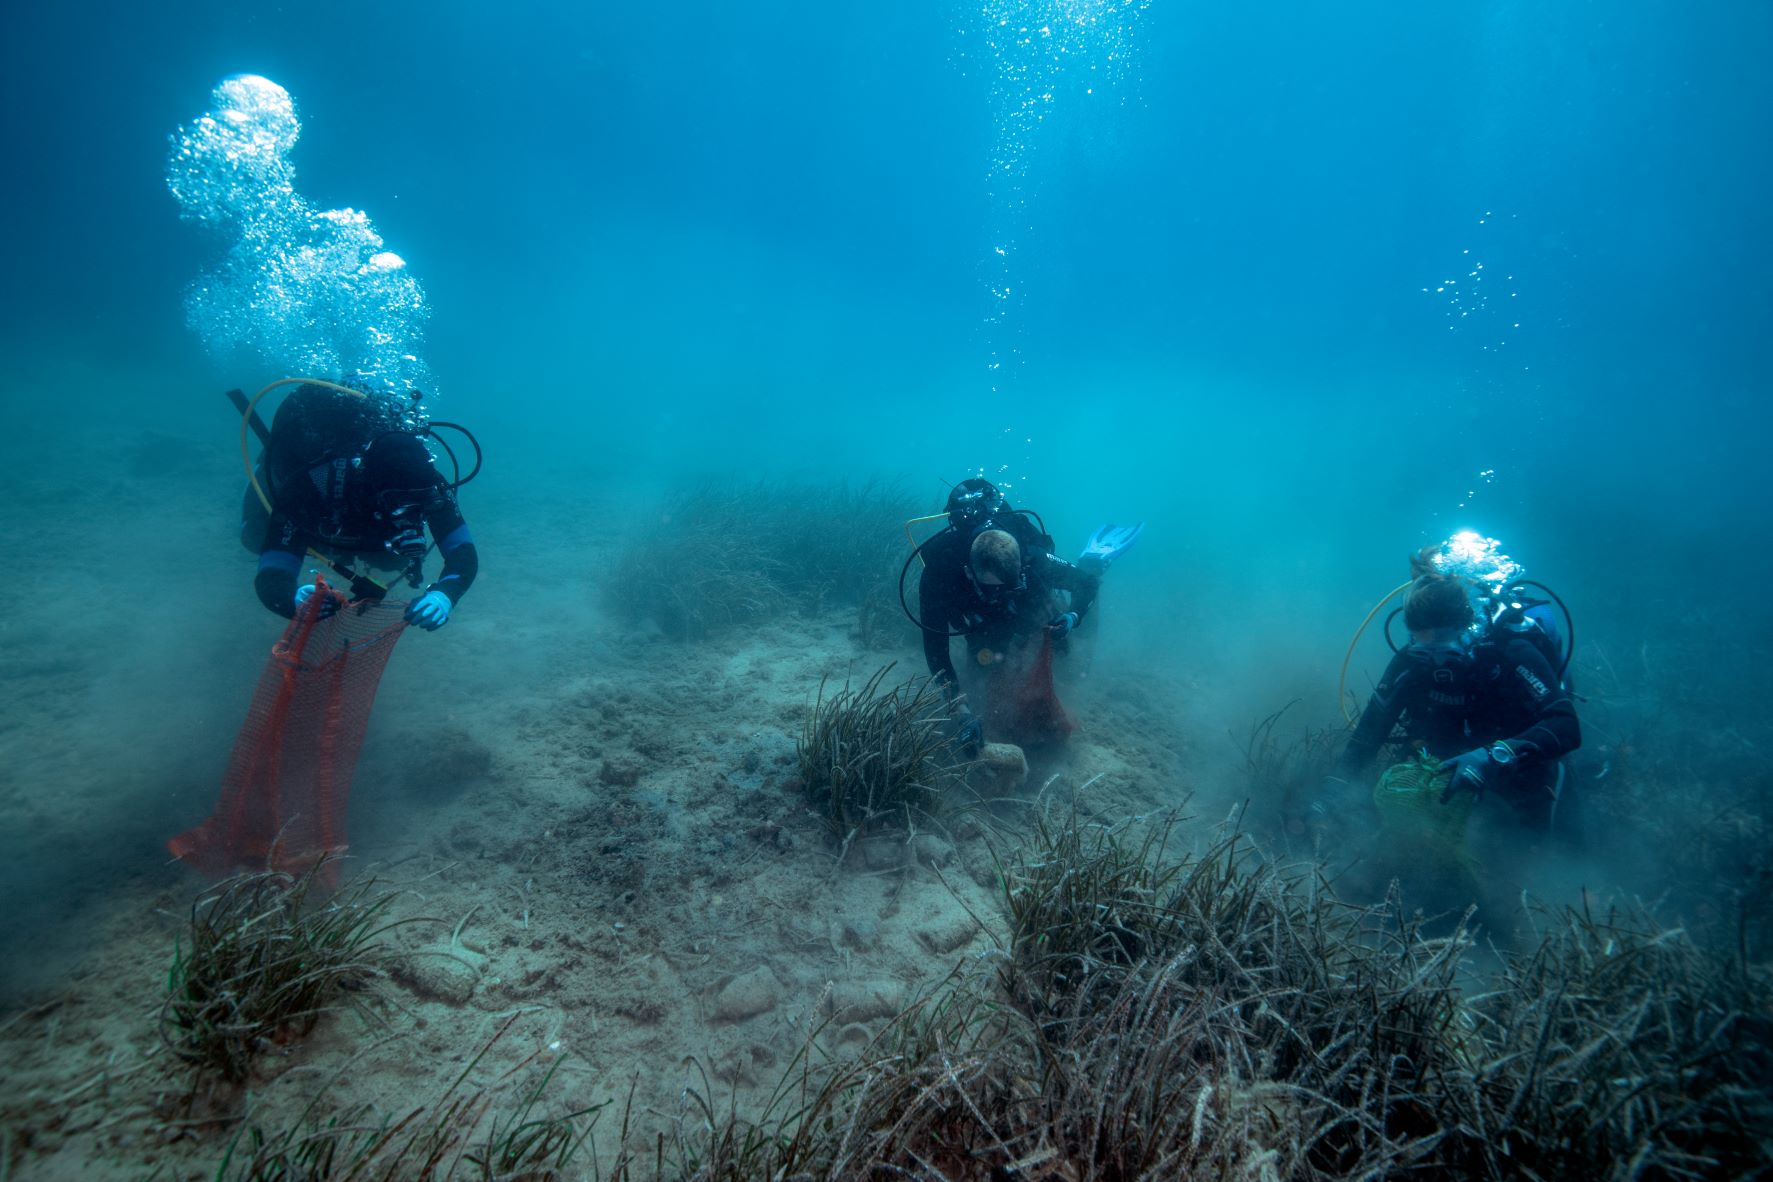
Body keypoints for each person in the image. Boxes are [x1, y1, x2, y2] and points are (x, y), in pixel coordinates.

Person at [1318, 571, 1581, 838]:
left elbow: (1565, 725)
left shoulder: (1511, 651)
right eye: (1424, 648)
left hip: (1514, 759)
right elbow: (1368, 736)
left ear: (1466, 628)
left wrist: (1494, 756)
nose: (1438, 662)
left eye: (1445, 647)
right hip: (1448, 765)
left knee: (1534, 839)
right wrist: (1328, 795)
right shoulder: (1411, 662)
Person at [910, 478, 1142, 751]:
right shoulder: (938, 576)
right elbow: (936, 652)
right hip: (981, 620)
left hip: (1028, 605)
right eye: (994, 588)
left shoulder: (1034, 559)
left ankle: (1092, 561)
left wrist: (1072, 617)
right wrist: (961, 712)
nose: (1001, 593)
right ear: (970, 573)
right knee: (984, 667)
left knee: (1071, 661)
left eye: (1010, 583)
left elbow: (1085, 585)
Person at [242, 381, 478, 629]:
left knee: (393, 560)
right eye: (399, 503)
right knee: (254, 537)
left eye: (419, 501)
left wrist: (445, 594)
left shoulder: (430, 487)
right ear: (368, 486)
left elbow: (462, 551)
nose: (411, 512)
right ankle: (264, 467)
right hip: (323, 511)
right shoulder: (316, 482)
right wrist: (290, 600)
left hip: (365, 527)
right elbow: (276, 560)